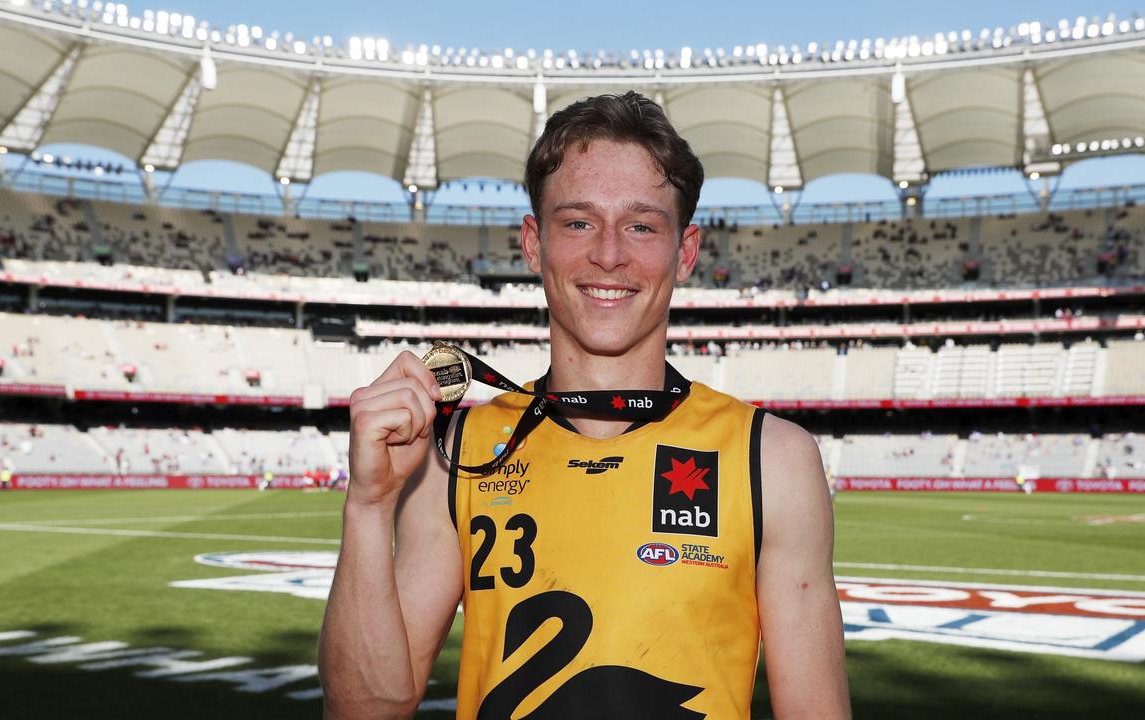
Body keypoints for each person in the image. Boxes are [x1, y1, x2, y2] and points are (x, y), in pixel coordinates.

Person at [319, 92, 850, 719]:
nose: (608, 253)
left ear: (684, 252)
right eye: (578, 222)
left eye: (642, 225)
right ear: (533, 243)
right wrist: (369, 506)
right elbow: (363, 711)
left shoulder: (774, 460)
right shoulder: (454, 453)